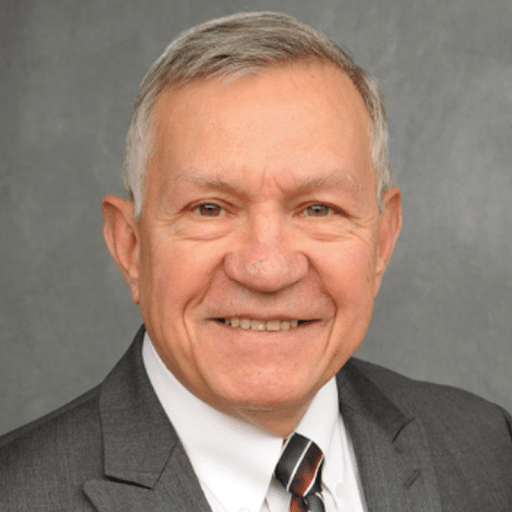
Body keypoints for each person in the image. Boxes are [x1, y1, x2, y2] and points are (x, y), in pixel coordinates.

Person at [1, 11, 511, 512]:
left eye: (318, 208)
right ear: (130, 246)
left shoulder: (488, 451)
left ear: (381, 241)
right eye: (210, 208)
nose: (267, 270)